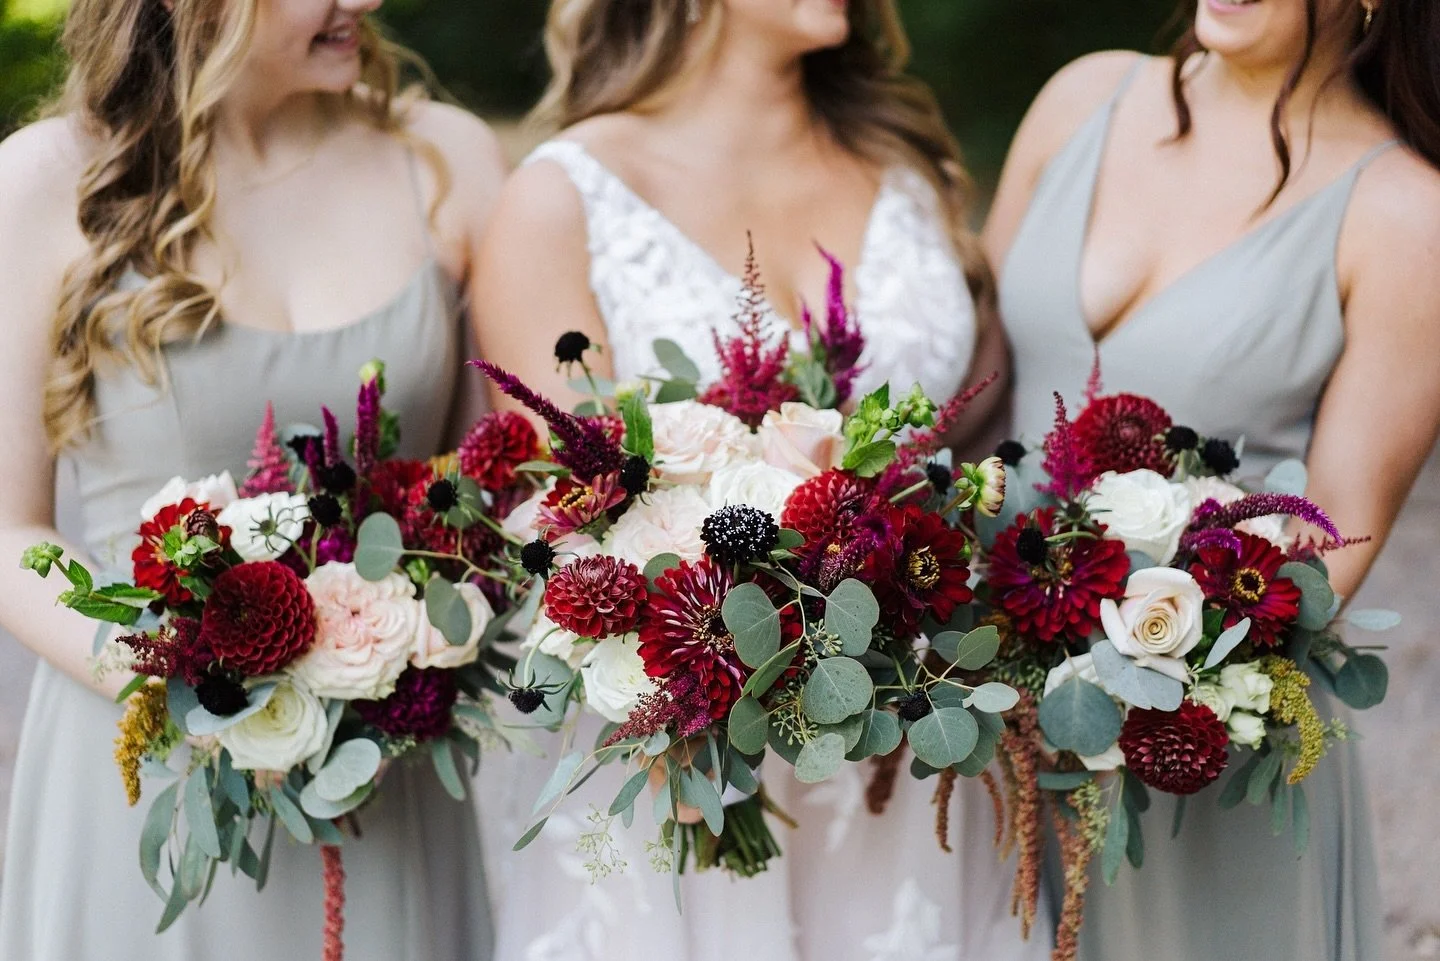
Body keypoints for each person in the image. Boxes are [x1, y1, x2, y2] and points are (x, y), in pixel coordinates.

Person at [470, 1, 1034, 959]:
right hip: (682, 767)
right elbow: (575, 524)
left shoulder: (910, 169)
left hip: (908, 751)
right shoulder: (567, 197)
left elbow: (978, 444)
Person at [0, 0, 507, 957]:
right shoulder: (45, 180)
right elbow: (5, 533)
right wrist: (179, 677)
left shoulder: (447, 159)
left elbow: (485, 500)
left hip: (382, 776)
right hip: (146, 770)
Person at [984, 0, 1440, 956]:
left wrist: (1136, 673)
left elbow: (1339, 537)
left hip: (1194, 733)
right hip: (989, 703)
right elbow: (976, 394)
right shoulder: (1082, 97)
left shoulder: (1405, 212)